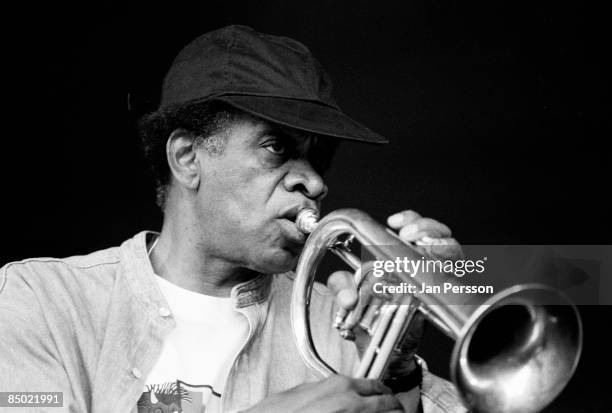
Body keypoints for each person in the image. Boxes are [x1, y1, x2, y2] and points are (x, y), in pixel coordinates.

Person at [0, 25, 464, 412]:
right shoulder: (41, 300)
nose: (315, 184)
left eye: (319, 159)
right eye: (276, 147)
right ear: (187, 158)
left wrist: (398, 369)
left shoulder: (346, 326)